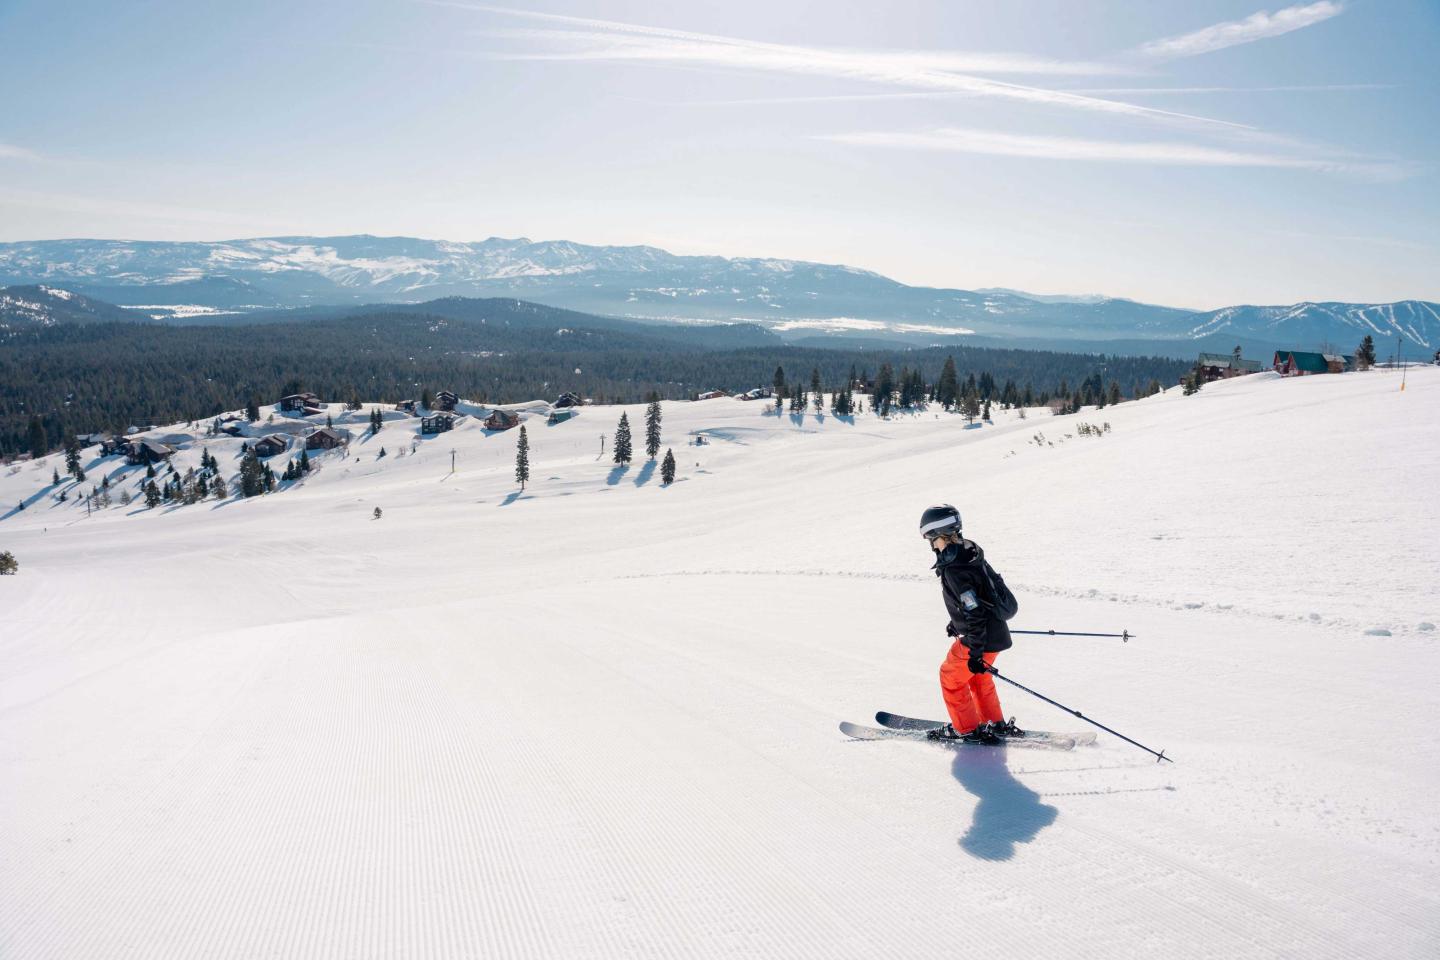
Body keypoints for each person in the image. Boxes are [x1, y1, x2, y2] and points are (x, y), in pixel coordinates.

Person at [919, 504, 1022, 744]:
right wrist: (957, 621)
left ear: (940, 534)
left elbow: (973, 609)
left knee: (951, 678)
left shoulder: (954, 569)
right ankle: (993, 723)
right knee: (979, 678)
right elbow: (977, 598)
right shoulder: (971, 552)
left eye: (932, 539)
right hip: (996, 635)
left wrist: (974, 652)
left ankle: (966, 729)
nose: (932, 546)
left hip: (978, 639)